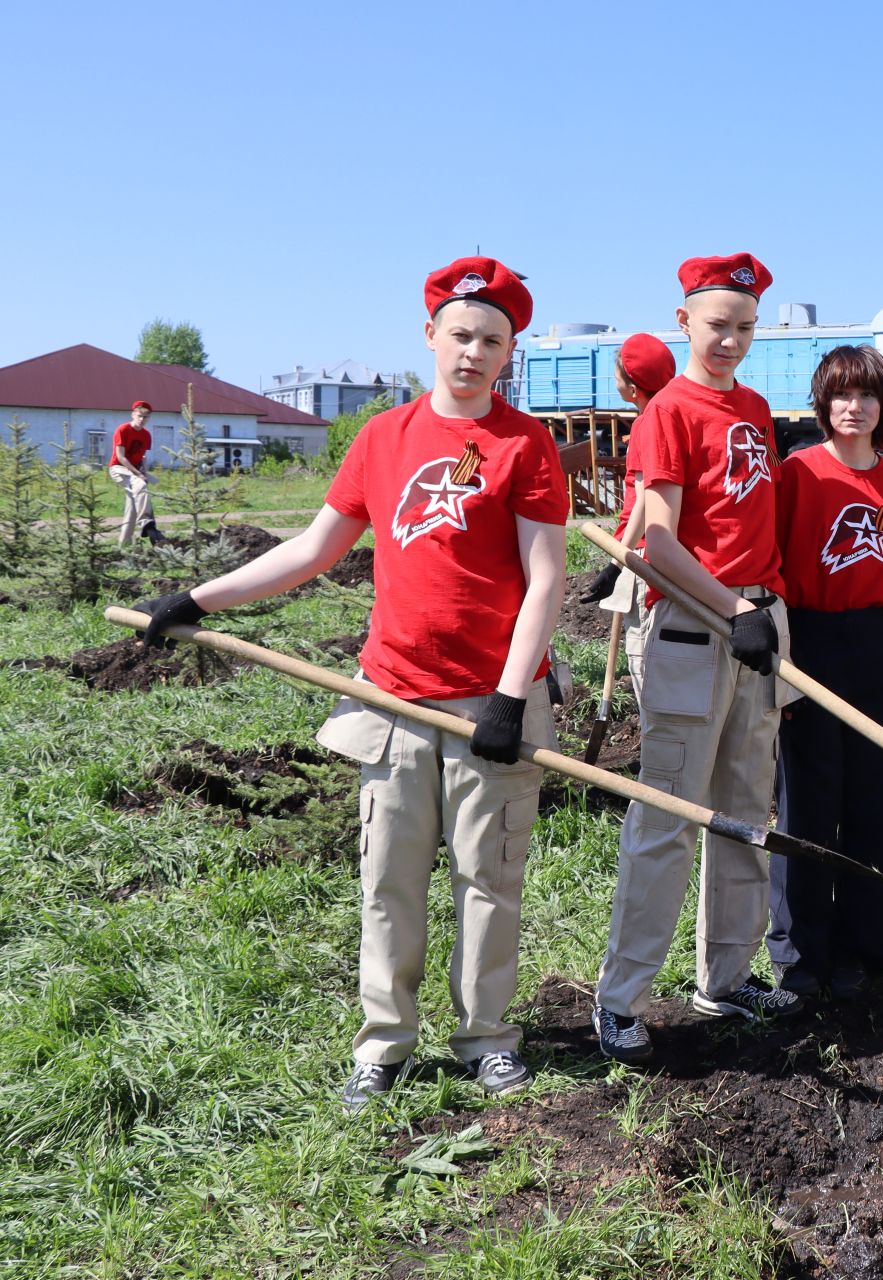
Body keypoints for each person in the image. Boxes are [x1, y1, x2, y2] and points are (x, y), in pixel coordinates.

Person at [137, 256, 567, 1110]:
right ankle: (384, 1044)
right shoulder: (382, 439)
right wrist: (198, 598)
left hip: (492, 702)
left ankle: (487, 1038)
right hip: (392, 697)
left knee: (489, 880)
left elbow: (547, 578)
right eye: (460, 335)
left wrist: (512, 697)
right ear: (430, 335)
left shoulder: (526, 444)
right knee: (389, 880)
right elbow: (313, 549)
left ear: (509, 352)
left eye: (492, 341)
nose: (473, 353)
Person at [595, 252, 801, 1067]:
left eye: (746, 328)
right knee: (669, 818)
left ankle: (728, 976)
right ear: (684, 322)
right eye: (718, 325)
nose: (732, 340)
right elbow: (658, 542)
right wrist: (733, 609)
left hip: (758, 620)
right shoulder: (668, 413)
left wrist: (764, 611)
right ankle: (621, 1000)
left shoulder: (754, 408)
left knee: (746, 812)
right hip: (694, 622)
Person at [765, 345, 883, 997]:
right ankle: (802, 950)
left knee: (879, 801)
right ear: (823, 403)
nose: (854, 407)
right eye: (841, 394)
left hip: (877, 648)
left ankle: (871, 940)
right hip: (810, 641)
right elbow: (774, 574)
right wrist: (781, 668)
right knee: (809, 800)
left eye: (867, 395)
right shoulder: (797, 474)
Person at [583, 332, 680, 699]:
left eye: (617, 376)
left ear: (634, 388)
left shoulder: (646, 423)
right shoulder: (673, 416)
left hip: (640, 554)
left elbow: (643, 501)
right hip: (652, 552)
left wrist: (616, 563)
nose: (614, 382)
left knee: (643, 656)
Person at [110, 400, 163, 545]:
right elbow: (121, 457)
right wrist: (138, 474)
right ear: (133, 414)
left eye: (145, 417)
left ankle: (124, 544)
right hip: (119, 468)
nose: (142, 419)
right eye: (139, 416)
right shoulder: (123, 429)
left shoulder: (146, 435)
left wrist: (144, 471)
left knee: (133, 509)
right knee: (140, 484)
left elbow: (142, 456)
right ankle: (147, 523)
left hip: (135, 470)